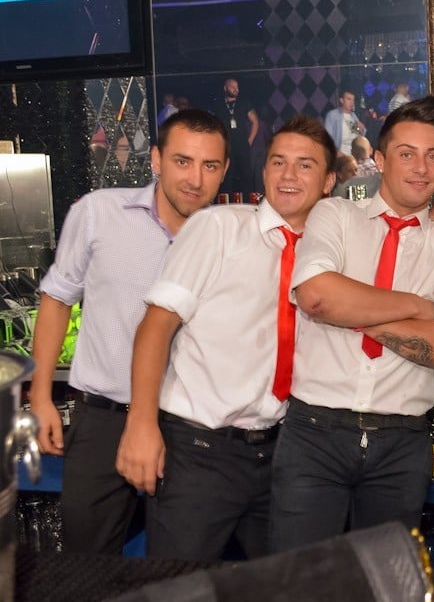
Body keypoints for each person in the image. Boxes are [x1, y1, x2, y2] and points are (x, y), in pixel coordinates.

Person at [114, 115, 336, 561]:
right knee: (178, 587)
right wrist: (141, 424)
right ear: (264, 171)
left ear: (329, 181)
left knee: (285, 585)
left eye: (305, 165)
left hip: (281, 455)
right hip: (199, 453)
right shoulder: (218, 228)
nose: (288, 175)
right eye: (278, 162)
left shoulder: (330, 251)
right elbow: (156, 326)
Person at [270, 95, 434, 553]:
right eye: (407, 154)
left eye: (433, 156)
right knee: (298, 577)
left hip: (401, 444)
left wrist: (353, 314)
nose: (421, 168)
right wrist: (417, 307)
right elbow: (317, 296)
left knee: (383, 579)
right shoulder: (336, 215)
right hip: (315, 433)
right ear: (380, 160)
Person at [29, 109, 228, 554]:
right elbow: (57, 299)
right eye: (182, 161)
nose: (195, 179)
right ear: (156, 159)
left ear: (224, 170)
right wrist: (41, 397)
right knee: (86, 566)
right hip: (104, 420)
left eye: (210, 165)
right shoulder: (98, 212)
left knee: (179, 569)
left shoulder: (231, 235)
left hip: (190, 429)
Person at [211, 78, 260, 196]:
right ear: (225, 88)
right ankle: (225, 202)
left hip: (242, 144)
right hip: (226, 145)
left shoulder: (244, 102)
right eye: (232, 87)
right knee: (227, 175)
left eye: (237, 87)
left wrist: (249, 141)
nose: (236, 89)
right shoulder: (218, 104)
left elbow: (255, 121)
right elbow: (212, 124)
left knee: (246, 175)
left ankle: (249, 201)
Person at [324, 90, 366, 157]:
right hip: (341, 155)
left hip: (355, 154)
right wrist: (335, 152)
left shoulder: (353, 116)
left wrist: (361, 129)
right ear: (342, 100)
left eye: (353, 100)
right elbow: (327, 138)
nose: (352, 103)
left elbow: (357, 134)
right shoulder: (333, 115)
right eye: (349, 99)